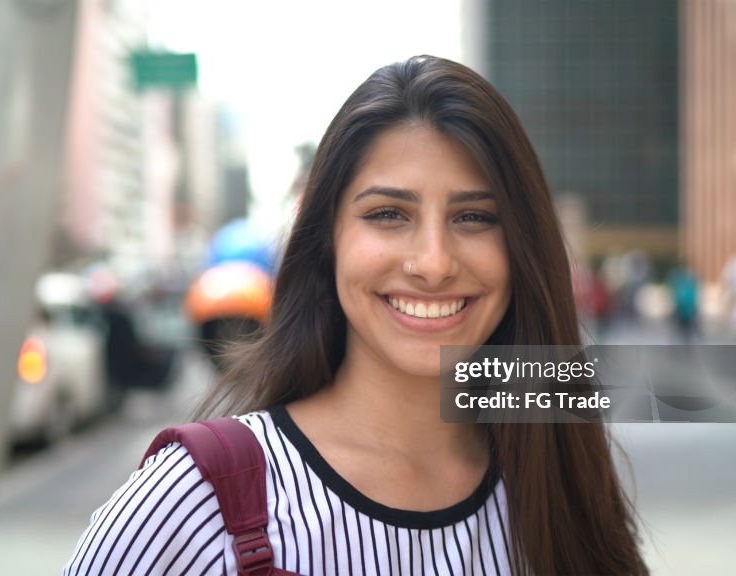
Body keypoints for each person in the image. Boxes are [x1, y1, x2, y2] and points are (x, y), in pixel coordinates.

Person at [63, 55, 647, 575]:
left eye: (474, 218)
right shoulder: (193, 504)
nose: (434, 263)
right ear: (327, 240)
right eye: (389, 214)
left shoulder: (558, 485)